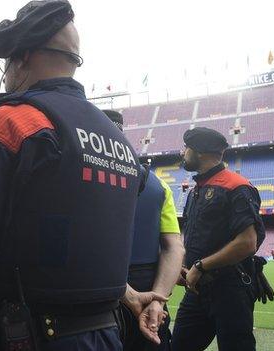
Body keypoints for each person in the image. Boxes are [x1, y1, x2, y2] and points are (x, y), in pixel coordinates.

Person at [0, 2, 165, 350]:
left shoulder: (8, 124)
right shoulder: (120, 144)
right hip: (107, 334)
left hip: (19, 336)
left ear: (21, 57)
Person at [172, 127, 265, 351]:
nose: (183, 152)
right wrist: (185, 268)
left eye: (186, 147)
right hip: (197, 291)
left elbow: (247, 242)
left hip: (230, 291)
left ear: (200, 152)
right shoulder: (197, 190)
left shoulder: (236, 186)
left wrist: (201, 266)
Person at [103, 110, 185, 350]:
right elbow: (174, 247)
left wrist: (126, 292)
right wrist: (157, 300)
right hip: (149, 289)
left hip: (101, 294)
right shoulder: (158, 186)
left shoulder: (81, 177)